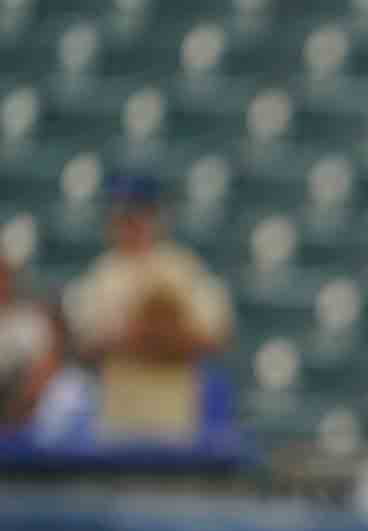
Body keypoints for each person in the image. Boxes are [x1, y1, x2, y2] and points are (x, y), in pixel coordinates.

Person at [63, 172, 234, 441]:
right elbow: (84, 346)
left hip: (174, 419)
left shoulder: (181, 269)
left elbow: (214, 337)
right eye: (122, 214)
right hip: (117, 418)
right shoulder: (101, 275)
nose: (130, 223)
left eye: (138, 213)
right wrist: (144, 334)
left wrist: (156, 336)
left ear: (154, 216)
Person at [0, 257, 95, 445]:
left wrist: (24, 400)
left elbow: (48, 363)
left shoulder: (29, 320)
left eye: (2, 277)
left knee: (70, 386)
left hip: (24, 404)